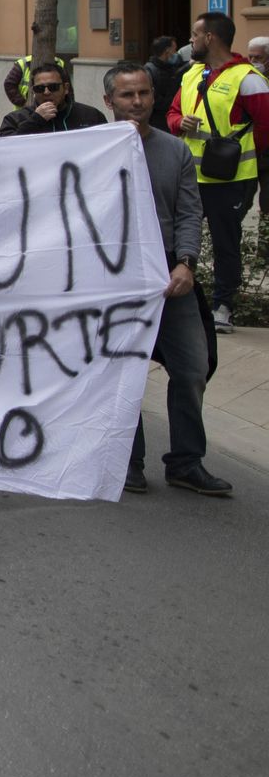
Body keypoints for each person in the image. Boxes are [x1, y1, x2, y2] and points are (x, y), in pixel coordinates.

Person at [102, 61, 230, 496]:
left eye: (143, 94)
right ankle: (127, 461)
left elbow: (190, 212)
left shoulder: (175, 151)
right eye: (126, 95)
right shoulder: (89, 151)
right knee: (125, 372)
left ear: (154, 97)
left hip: (169, 275)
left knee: (193, 367)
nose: (136, 103)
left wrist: (187, 264)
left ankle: (186, 462)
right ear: (109, 102)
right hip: (114, 279)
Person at [169, 11, 269, 334]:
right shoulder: (190, 74)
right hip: (189, 178)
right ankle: (177, 298)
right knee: (177, 237)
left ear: (210, 38)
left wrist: (245, 159)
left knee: (227, 243)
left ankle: (223, 306)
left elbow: (266, 127)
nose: (191, 40)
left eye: (195, 35)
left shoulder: (248, 78)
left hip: (231, 180)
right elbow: (173, 112)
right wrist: (177, 123)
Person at [0, 62, 104, 135]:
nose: (46, 92)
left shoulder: (91, 116)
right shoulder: (14, 119)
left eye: (53, 87)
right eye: (40, 88)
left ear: (66, 88)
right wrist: (35, 120)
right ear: (33, 91)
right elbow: (5, 147)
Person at [2, 51, 68, 108]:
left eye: (53, 87)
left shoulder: (59, 62)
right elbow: (9, 84)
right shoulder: (23, 63)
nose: (46, 92)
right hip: (25, 111)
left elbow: (67, 89)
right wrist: (23, 103)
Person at [146, 36, 186, 113]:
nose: (176, 53)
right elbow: (155, 99)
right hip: (158, 117)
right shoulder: (150, 70)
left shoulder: (170, 67)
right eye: (174, 50)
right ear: (167, 51)